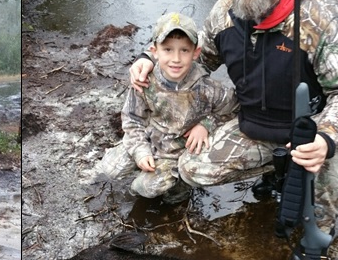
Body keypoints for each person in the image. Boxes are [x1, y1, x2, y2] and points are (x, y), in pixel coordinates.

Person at [129, 0, 338, 231]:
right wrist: (150, 57)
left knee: (313, 223)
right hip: (255, 124)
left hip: (309, 133)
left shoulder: (319, 16)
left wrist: (327, 137)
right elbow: (198, 58)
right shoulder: (222, 14)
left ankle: (317, 213)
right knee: (192, 168)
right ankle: (274, 170)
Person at [88, 11, 237, 202]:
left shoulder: (207, 88)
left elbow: (233, 109)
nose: (176, 59)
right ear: (155, 51)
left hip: (177, 153)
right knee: (111, 168)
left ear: (196, 53)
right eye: (168, 49)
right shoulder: (145, 82)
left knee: (148, 189)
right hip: (151, 140)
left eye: (184, 50)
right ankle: (148, 165)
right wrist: (140, 151)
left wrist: (206, 125)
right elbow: (132, 120)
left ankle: (180, 183)